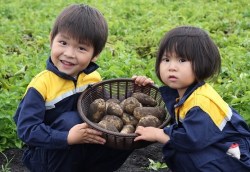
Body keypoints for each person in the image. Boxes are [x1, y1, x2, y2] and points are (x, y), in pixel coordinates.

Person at [13, 4, 152, 172]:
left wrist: (137, 91)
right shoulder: (41, 85)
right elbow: (27, 130)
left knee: (123, 136)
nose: (69, 53)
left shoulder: (94, 78)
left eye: (81, 48)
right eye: (63, 43)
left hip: (82, 148)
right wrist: (67, 138)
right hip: (46, 154)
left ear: (95, 54)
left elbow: (113, 109)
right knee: (70, 120)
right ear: (51, 40)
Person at [133, 26, 250, 172]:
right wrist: (146, 88)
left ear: (202, 64)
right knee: (179, 151)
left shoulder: (201, 102)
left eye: (182, 60)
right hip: (214, 146)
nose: (172, 67)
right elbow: (170, 103)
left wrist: (158, 134)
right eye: (166, 59)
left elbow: (189, 140)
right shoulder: (186, 91)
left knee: (183, 152)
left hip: (232, 155)